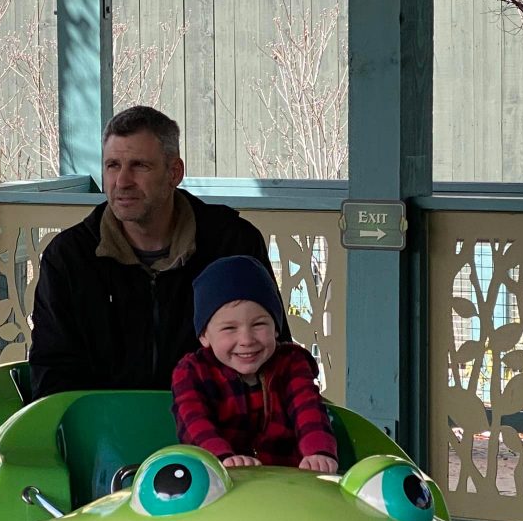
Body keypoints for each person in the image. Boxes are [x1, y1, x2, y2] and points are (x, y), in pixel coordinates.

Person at [28, 105, 288, 399]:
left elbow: (273, 355)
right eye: (112, 165)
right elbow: (52, 376)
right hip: (101, 435)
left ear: (174, 172)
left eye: (139, 165)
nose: (122, 181)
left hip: (216, 433)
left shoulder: (232, 245)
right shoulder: (68, 258)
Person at [171, 255, 338, 472]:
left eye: (259, 324)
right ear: (204, 336)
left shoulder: (291, 363)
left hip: (285, 480)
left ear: (276, 328)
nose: (247, 340)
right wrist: (220, 458)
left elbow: (308, 409)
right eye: (230, 328)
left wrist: (318, 452)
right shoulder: (192, 372)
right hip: (219, 484)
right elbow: (194, 423)